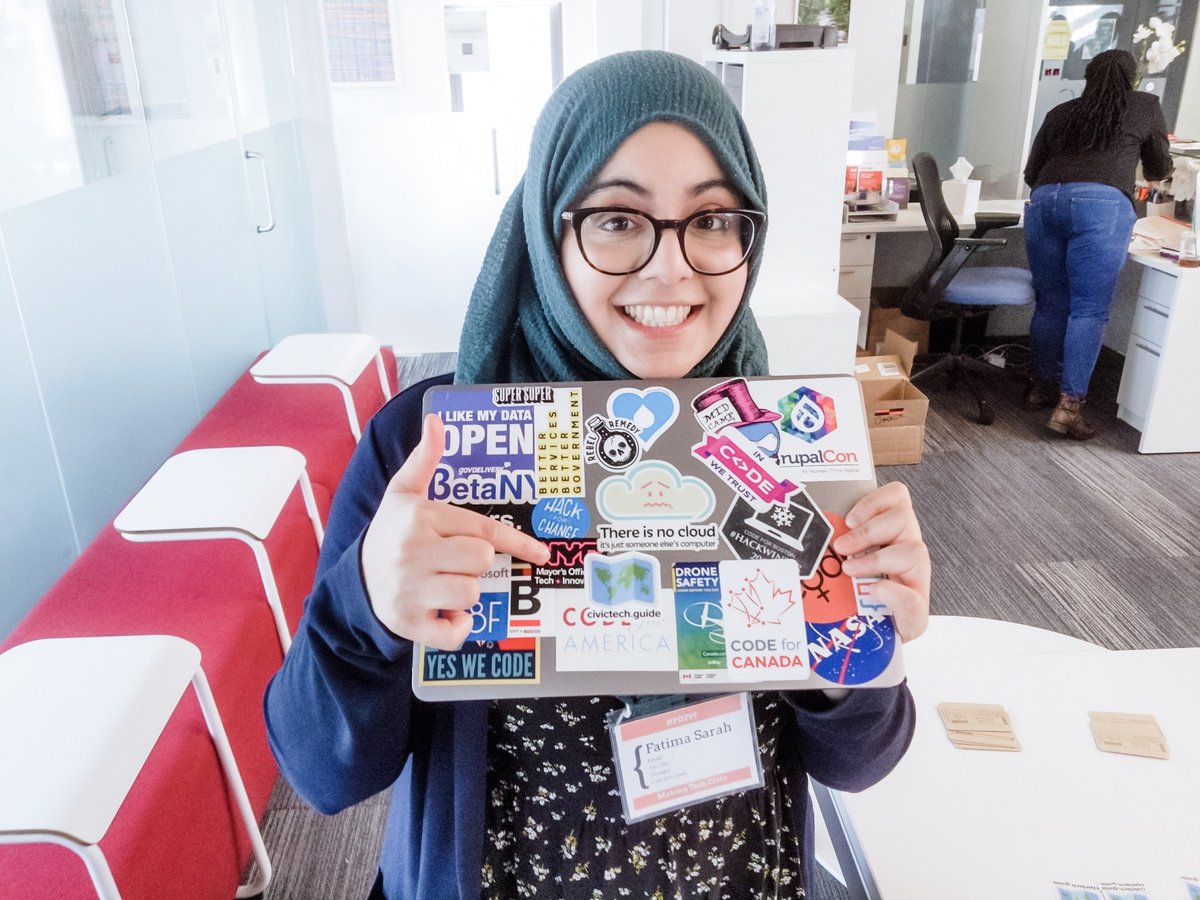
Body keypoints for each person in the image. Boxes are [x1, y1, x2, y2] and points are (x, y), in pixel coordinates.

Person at [264, 50, 931, 900]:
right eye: (617, 219)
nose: (671, 266)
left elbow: (861, 761)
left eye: (714, 219)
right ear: (549, 233)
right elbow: (322, 773)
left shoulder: (784, 442)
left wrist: (865, 641)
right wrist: (365, 603)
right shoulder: (430, 446)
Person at [1022, 48, 1172, 439]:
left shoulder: (1061, 112)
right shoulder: (1145, 106)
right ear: (1132, 79)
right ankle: (1069, 407)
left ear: (1088, 77)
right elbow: (1159, 168)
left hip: (1044, 202)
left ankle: (1040, 387)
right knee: (1088, 311)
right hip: (1100, 206)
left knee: (1051, 302)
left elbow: (1032, 172)